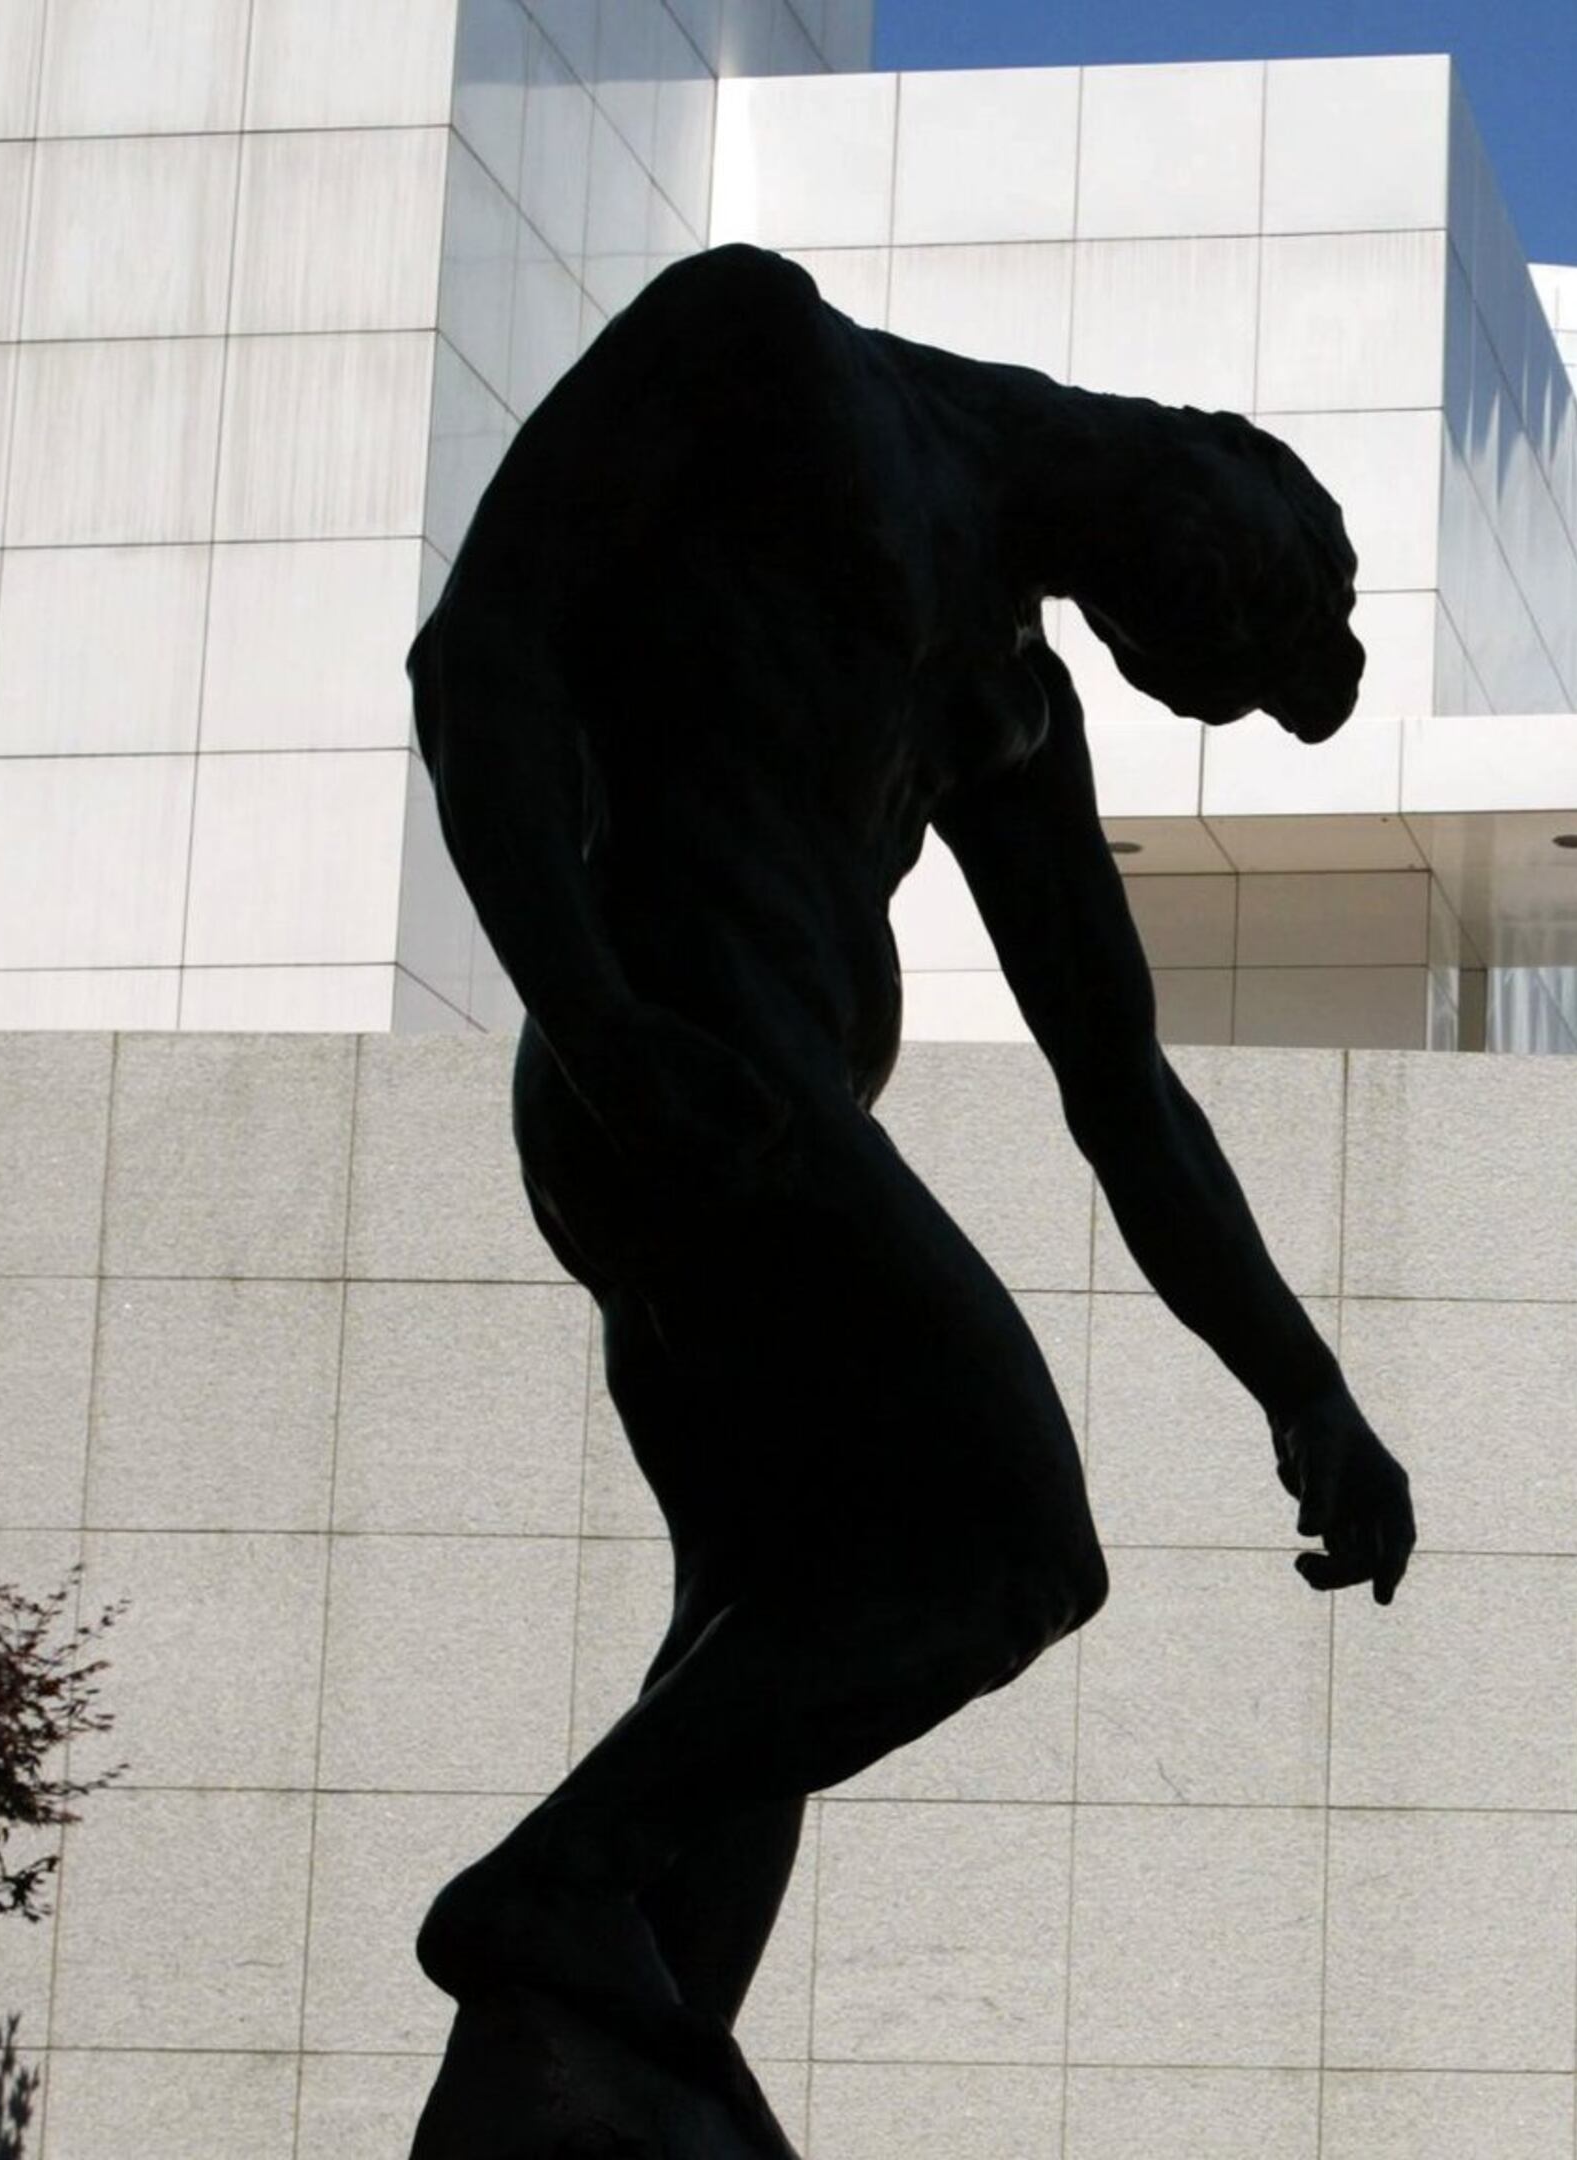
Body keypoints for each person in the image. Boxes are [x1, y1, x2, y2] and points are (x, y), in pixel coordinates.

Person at [400, 242, 1415, 2145]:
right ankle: (545, 1895)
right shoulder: (761, 350)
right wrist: (594, 1010)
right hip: (694, 1086)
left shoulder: (1006, 690)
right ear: (1221, 454)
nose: (1212, 638)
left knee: (774, 1623)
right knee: (1011, 1549)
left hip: (730, 1113)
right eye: (1260, 594)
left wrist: (1305, 1386)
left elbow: (1121, 1088)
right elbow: (484, 650)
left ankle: (627, 2060)